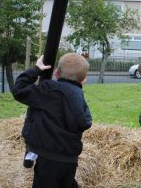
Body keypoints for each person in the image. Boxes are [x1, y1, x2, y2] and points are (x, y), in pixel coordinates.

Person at [12, 53, 92, 188]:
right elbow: (85, 122)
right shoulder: (79, 96)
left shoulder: (47, 89)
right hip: (69, 159)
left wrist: (36, 70)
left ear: (56, 74)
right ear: (83, 80)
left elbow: (19, 89)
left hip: (47, 158)